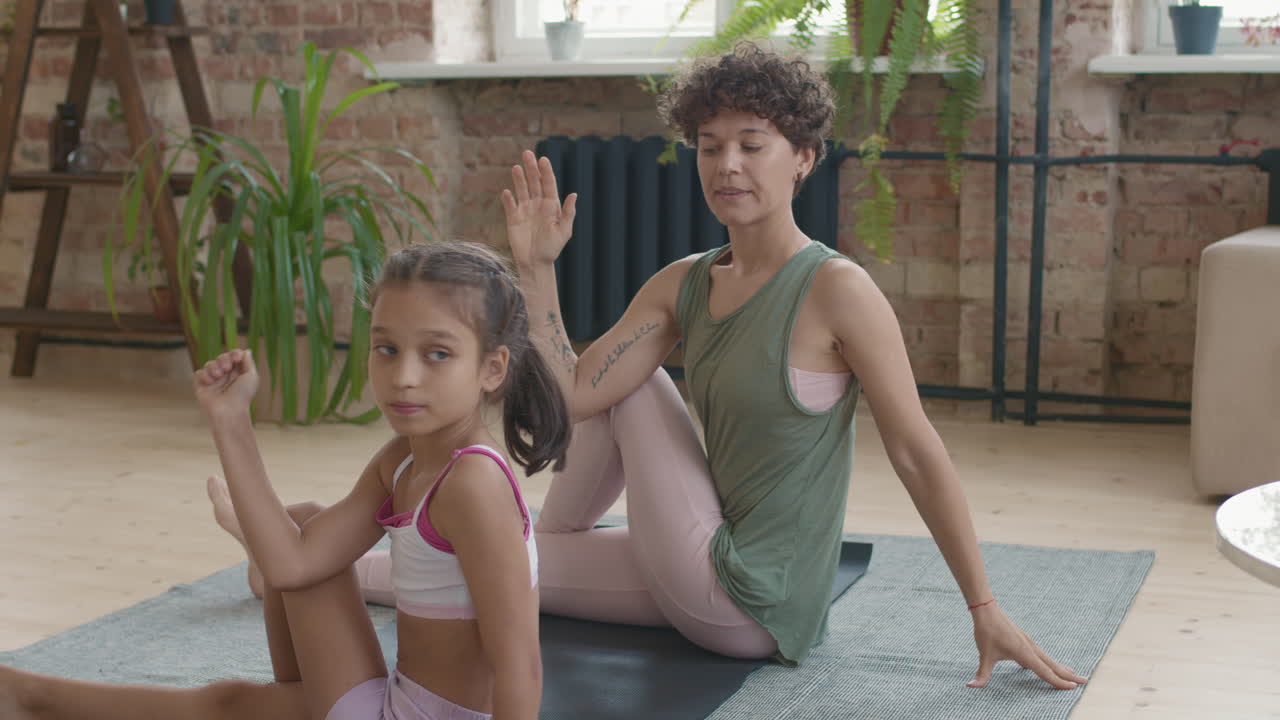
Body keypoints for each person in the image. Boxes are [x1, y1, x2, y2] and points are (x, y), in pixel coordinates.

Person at [234, 44, 1085, 688]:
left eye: (753, 145)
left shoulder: (837, 290)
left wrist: (983, 606)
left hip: (751, 590)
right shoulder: (684, 282)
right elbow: (571, 389)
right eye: (711, 146)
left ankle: (516, 523)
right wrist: (536, 269)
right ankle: (304, 545)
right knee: (505, 574)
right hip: (696, 559)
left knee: (639, 394)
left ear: (805, 159)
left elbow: (915, 449)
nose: (728, 166)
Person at [0, 241, 569, 720]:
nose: (404, 377)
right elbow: (292, 565)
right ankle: (27, 694)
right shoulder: (401, 458)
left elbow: (521, 663)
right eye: (386, 350)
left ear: (492, 368)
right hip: (395, 700)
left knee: (230, 702)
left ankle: (32, 695)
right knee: (299, 531)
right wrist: (231, 422)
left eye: (437, 354)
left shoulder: (472, 483)